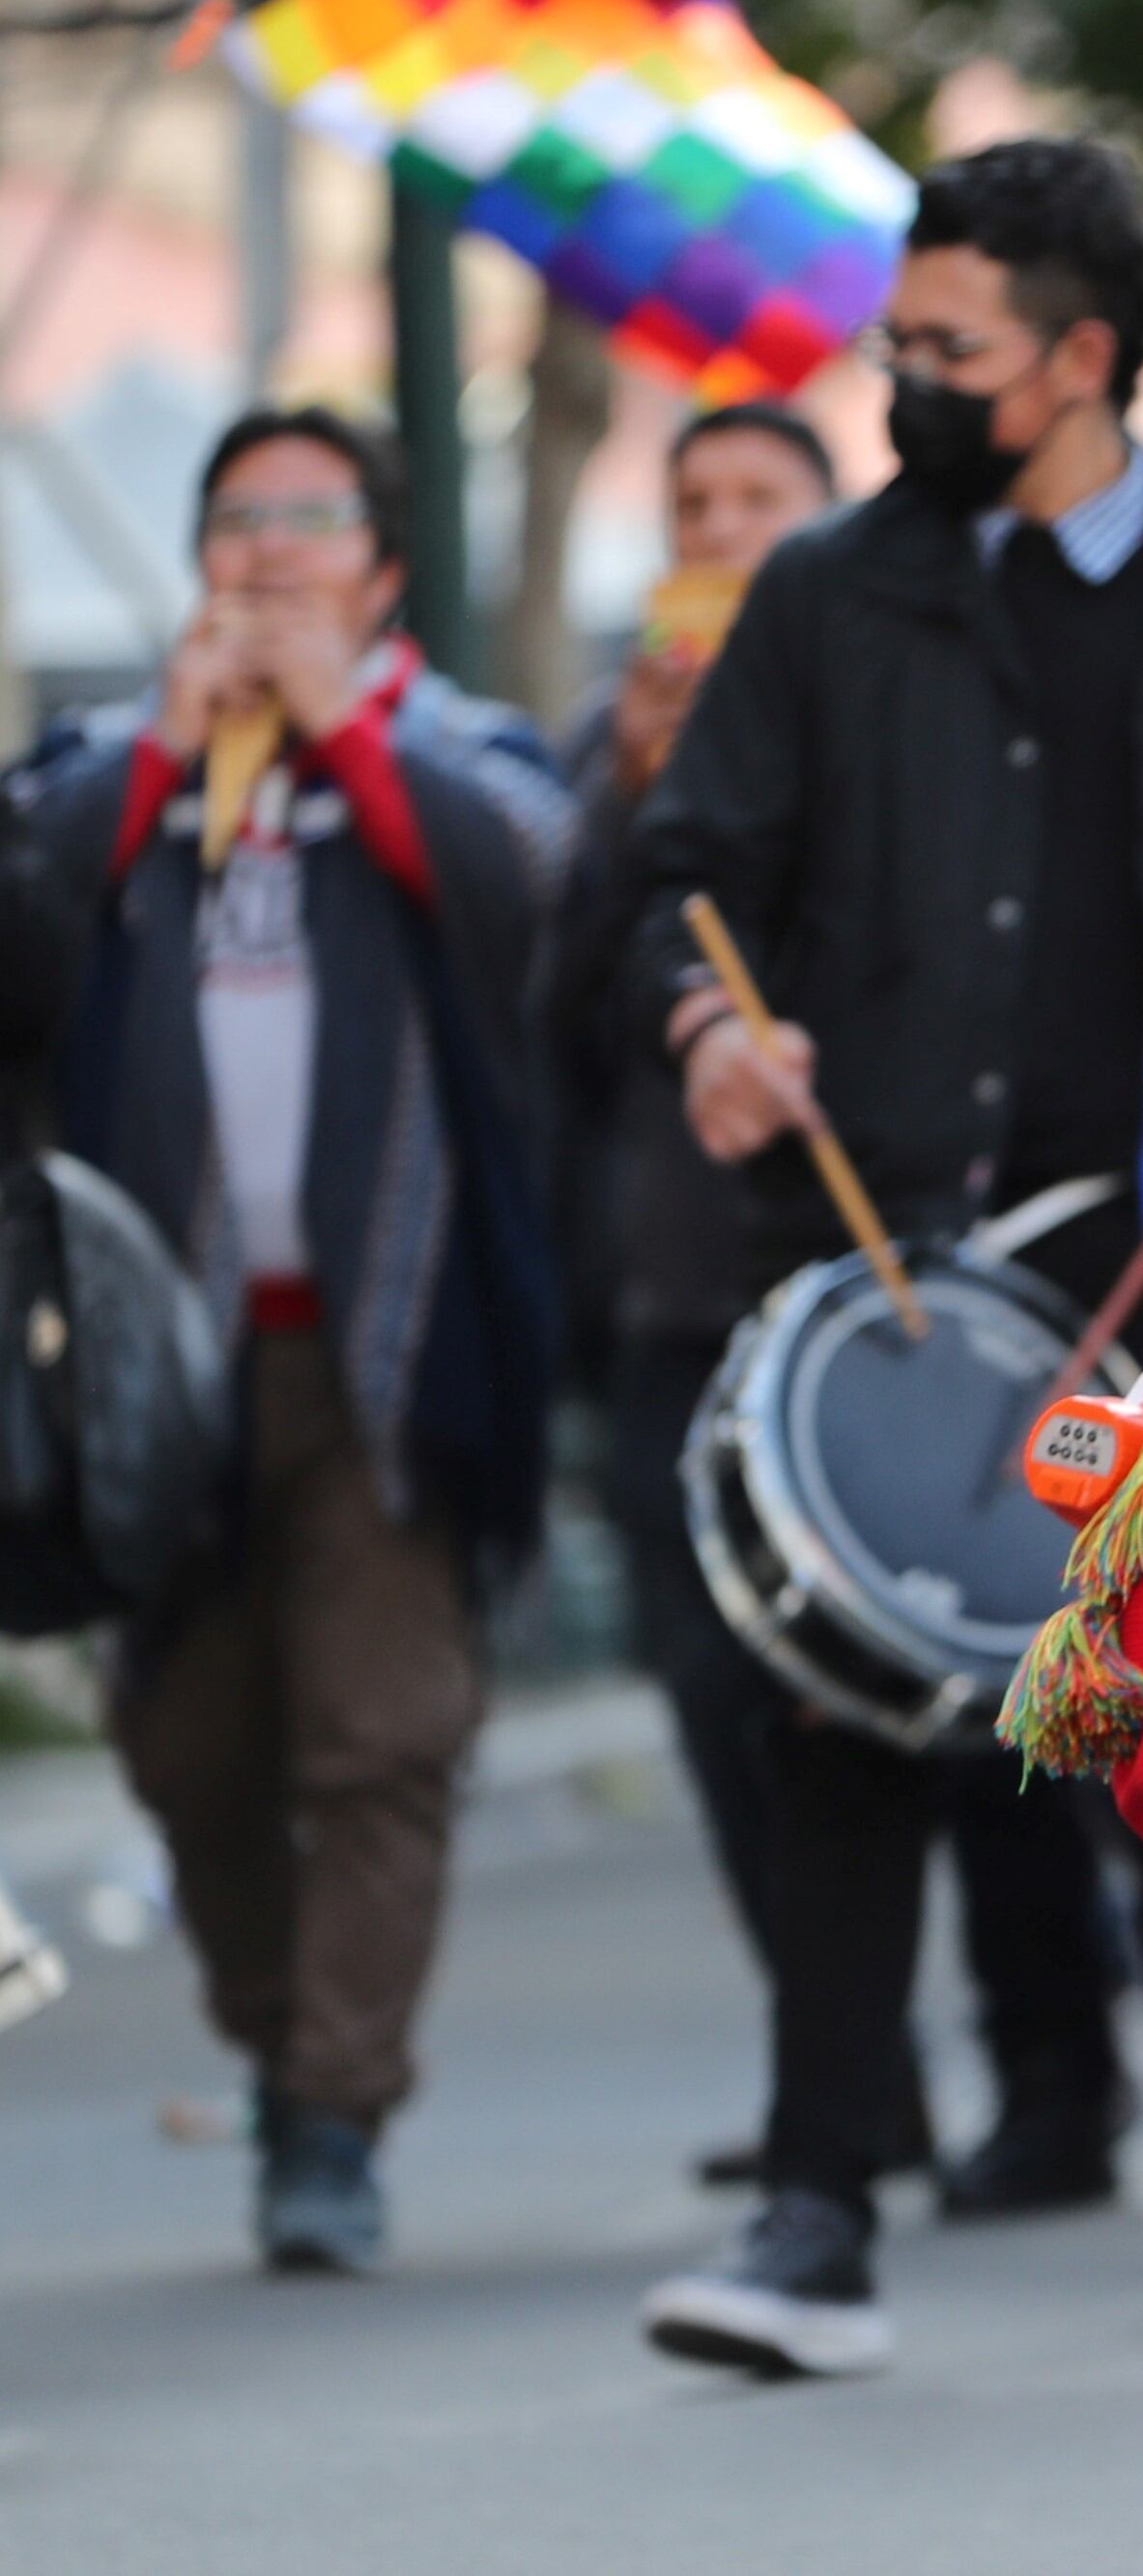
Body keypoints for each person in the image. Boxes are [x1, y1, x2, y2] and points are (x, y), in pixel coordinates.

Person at [626, 137, 1143, 2376]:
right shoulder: (830, 591)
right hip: (890, 1237)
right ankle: (819, 2206)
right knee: (830, 1701)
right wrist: (711, 1018)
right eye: (895, 344)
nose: (899, 382)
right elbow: (687, 869)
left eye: (942, 351)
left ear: (1081, 357)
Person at [19, 409, 573, 2273]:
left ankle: (335, 2117)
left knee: (381, 1736)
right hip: (148, 1353)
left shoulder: (459, 748)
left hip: (394, 1341)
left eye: (309, 521)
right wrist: (162, 757)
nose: (266, 556)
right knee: (190, 1749)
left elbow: (537, 900)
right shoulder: (109, 764)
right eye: (236, 521)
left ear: (383, 565)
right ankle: (279, 2051)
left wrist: (342, 725)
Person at [548, 404, 832, 2128]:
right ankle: (840, 2079)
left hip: (853, 1258)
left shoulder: (871, 705)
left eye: (759, 501)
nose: (720, 531)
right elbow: (563, 1019)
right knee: (720, 1697)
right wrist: (631, 808)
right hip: (671, 1283)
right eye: (693, 502)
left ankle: (1056, 2040)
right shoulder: (614, 745)